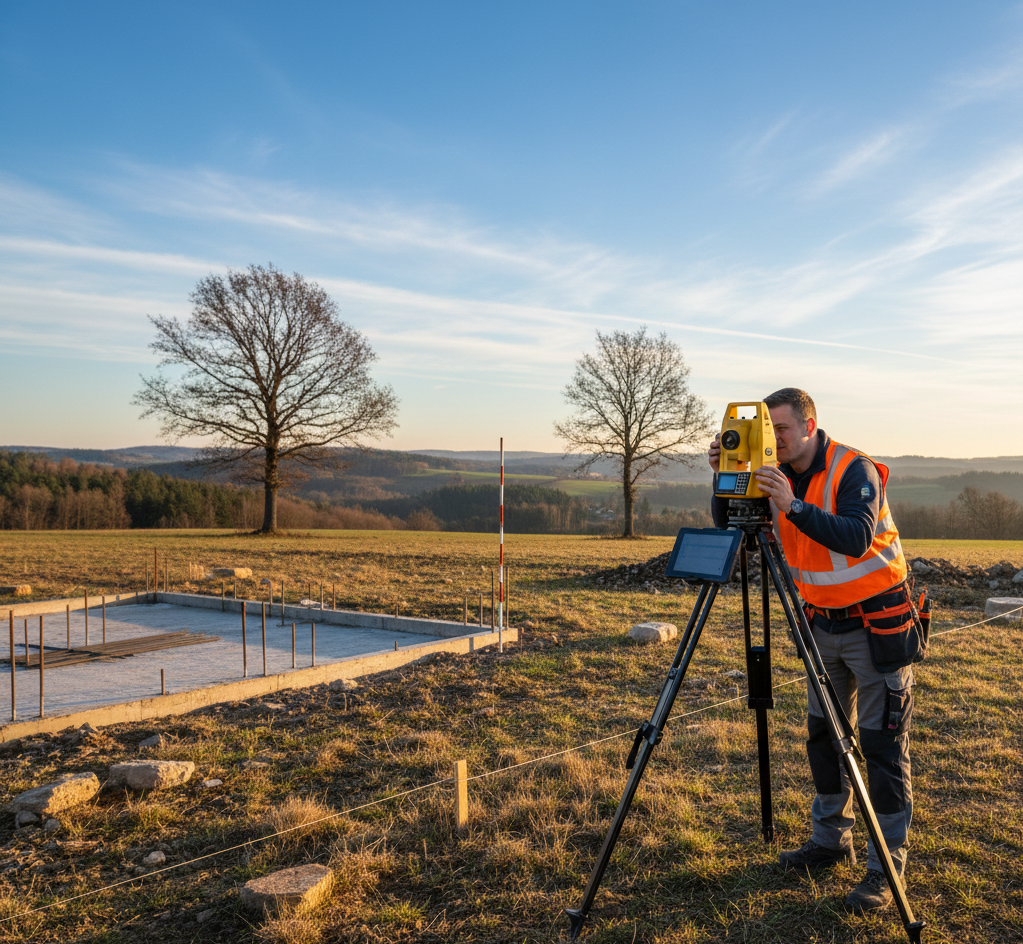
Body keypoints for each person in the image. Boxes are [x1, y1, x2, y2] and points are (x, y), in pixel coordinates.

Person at [708, 388, 923, 913]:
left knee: (880, 746)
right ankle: (830, 841)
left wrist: (792, 505)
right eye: (765, 431)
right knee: (823, 737)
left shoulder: (855, 470)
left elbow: (855, 536)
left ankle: (884, 867)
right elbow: (728, 524)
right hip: (818, 626)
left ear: (809, 425)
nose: (772, 441)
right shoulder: (768, 469)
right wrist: (725, 474)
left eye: (779, 431)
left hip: (877, 627)